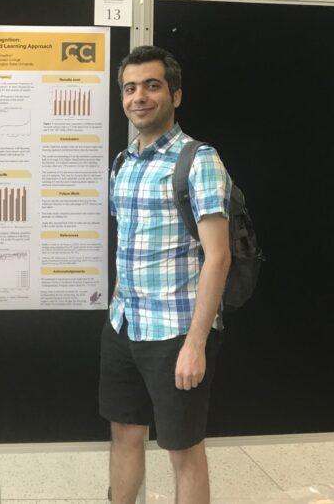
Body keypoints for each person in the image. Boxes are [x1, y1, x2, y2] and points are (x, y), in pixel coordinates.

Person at [100, 46, 232, 504]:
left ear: (175, 94)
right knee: (124, 432)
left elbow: (218, 257)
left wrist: (196, 344)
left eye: (152, 85)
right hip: (124, 326)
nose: (140, 96)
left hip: (176, 333)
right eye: (131, 88)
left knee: (183, 449)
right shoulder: (123, 164)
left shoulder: (197, 161)